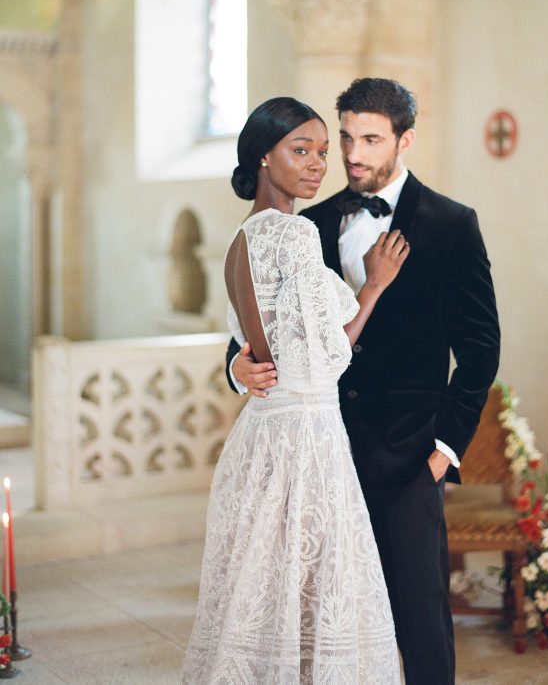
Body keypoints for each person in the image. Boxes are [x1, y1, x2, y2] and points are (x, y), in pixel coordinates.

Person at [227, 79, 501, 685]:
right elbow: (259, 324)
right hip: (318, 458)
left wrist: (443, 450)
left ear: (405, 140)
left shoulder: (452, 224)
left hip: (408, 459)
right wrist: (235, 367)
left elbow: (480, 350)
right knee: (321, 624)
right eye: (345, 137)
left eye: (370, 140)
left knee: (420, 622)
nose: (351, 155)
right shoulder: (306, 221)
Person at [183, 96, 409, 684]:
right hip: (305, 441)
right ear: (264, 155)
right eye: (300, 149)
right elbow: (322, 362)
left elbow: (264, 349)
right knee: (310, 596)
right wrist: (374, 286)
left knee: (264, 598)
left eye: (323, 152)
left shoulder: (241, 239)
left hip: (261, 439)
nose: (316, 164)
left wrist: (242, 370)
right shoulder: (294, 234)